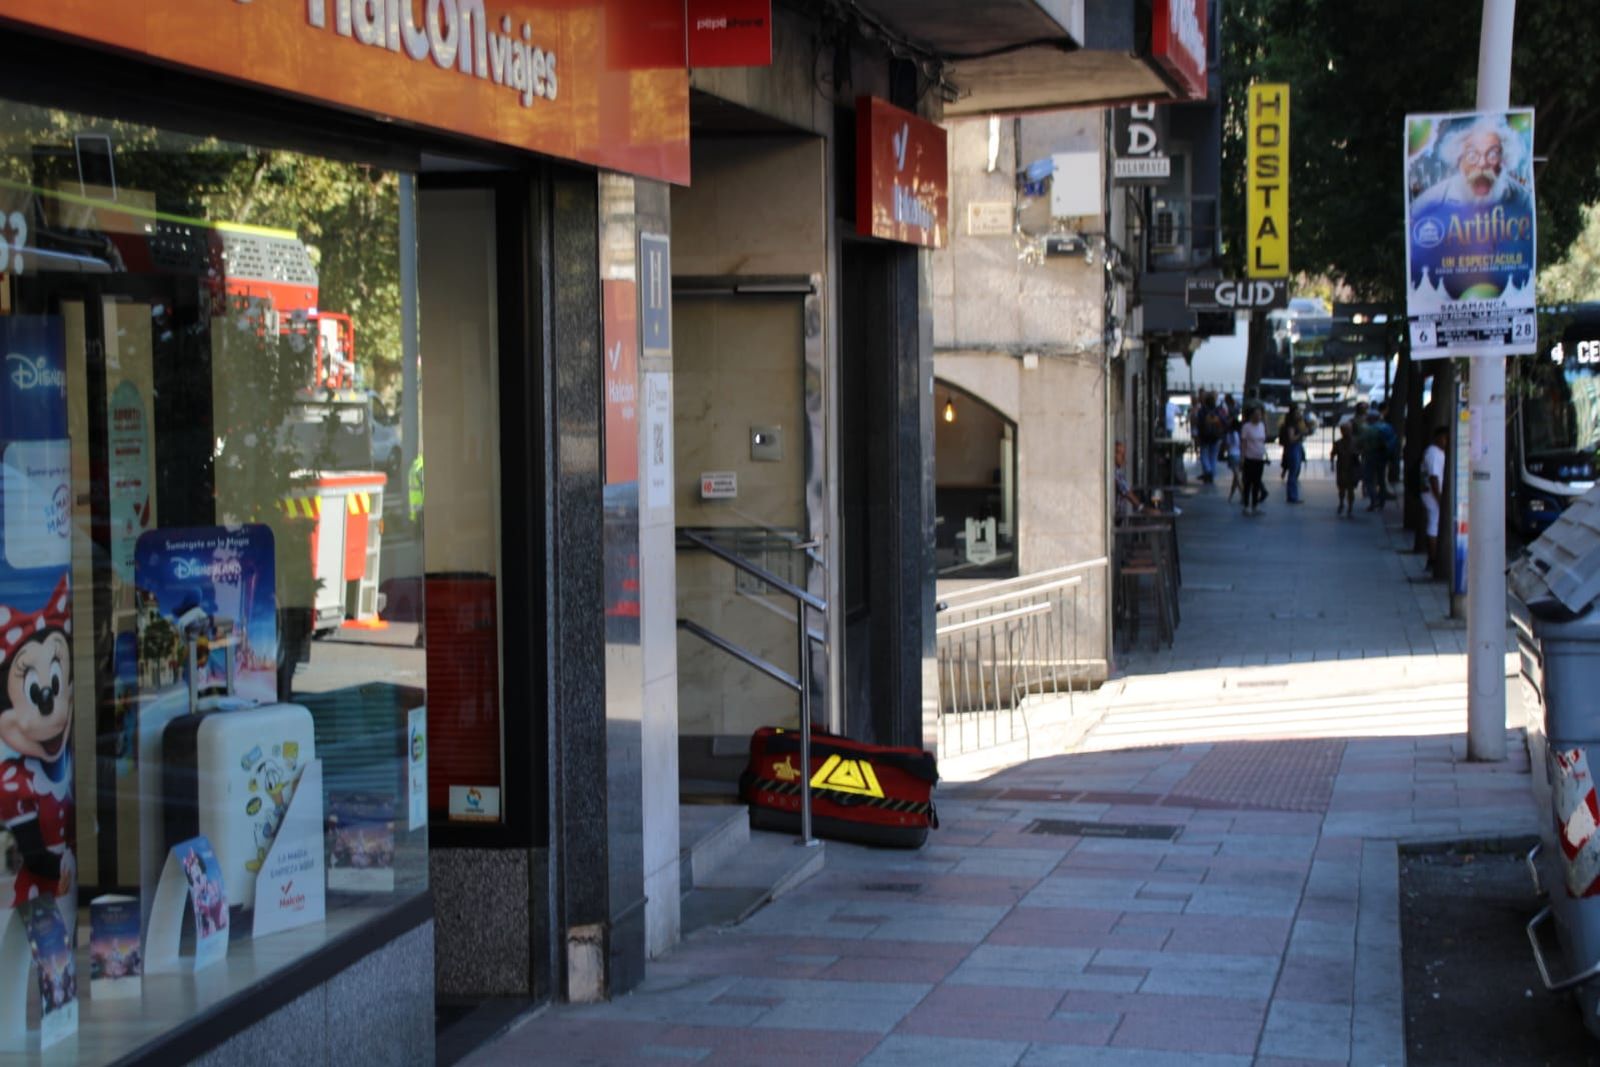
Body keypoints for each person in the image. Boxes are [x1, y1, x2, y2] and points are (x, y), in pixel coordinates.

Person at [1413, 115, 1532, 213]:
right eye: (1472, 156)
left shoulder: (1524, 201)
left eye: (1493, 155)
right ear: (1458, 159)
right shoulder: (1429, 202)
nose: (1482, 164)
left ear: (1504, 159)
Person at [1421, 425, 1448, 574]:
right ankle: (1433, 557)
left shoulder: (1436, 453)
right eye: (1444, 438)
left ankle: (1434, 556)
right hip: (1432, 495)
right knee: (1434, 524)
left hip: (1432, 493)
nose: (1446, 441)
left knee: (1434, 524)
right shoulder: (1434, 454)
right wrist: (1439, 498)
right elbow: (1434, 477)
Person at [1239, 406, 1268, 515]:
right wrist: (1242, 458)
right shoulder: (1246, 427)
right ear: (1251, 415)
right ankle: (1246, 505)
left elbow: (1263, 440)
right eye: (1257, 414)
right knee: (1248, 483)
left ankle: (1255, 505)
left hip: (1259, 458)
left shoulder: (1261, 425)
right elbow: (1243, 443)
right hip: (1249, 458)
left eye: (1260, 414)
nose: (1259, 416)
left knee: (1257, 482)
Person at [1331, 421, 1361, 517]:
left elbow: (1361, 451)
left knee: (1351, 489)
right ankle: (1341, 502)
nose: (1346, 432)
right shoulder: (1338, 443)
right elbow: (1333, 453)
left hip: (1352, 468)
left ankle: (1350, 507)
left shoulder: (1356, 441)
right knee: (1341, 488)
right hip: (1342, 468)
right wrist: (1331, 464)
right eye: (1344, 430)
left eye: (1348, 430)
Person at [1113, 440, 1148, 520]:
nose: (1124, 457)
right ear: (1113, 454)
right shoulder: (1115, 473)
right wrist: (1143, 508)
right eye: (1120, 454)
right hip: (1115, 517)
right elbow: (1127, 492)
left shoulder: (1117, 472)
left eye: (1124, 454)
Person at [1279, 403, 1307, 504]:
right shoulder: (1291, 425)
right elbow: (1291, 438)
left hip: (1294, 448)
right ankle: (1292, 496)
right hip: (1293, 448)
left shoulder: (1296, 422)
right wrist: (1300, 434)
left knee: (1294, 472)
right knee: (1293, 473)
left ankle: (1292, 495)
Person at [1195, 391, 1223, 484]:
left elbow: (1199, 424)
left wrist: (1198, 435)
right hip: (1215, 436)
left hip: (1205, 436)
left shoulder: (1202, 411)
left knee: (1204, 455)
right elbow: (1223, 422)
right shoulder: (1218, 410)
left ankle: (1208, 471)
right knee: (1213, 456)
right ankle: (1211, 473)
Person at [1225, 412, 1243, 503]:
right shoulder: (1238, 434)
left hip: (1232, 454)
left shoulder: (1230, 434)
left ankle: (1241, 495)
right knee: (1236, 477)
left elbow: (1228, 446)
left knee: (1236, 476)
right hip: (1238, 454)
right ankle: (1237, 495)